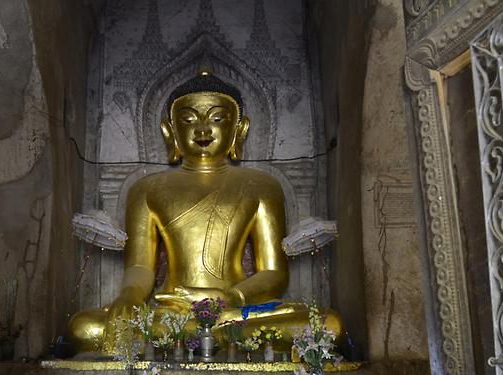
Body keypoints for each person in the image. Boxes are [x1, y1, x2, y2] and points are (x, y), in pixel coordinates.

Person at [68, 70, 342, 353]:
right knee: (84, 327)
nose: (202, 130)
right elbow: (140, 266)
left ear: (240, 129)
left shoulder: (262, 186)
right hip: (173, 311)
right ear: (170, 131)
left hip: (234, 312)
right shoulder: (147, 189)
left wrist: (229, 297)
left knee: (326, 326)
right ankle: (220, 340)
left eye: (217, 119)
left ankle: (210, 337)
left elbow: (274, 273)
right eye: (188, 120)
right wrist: (129, 296)